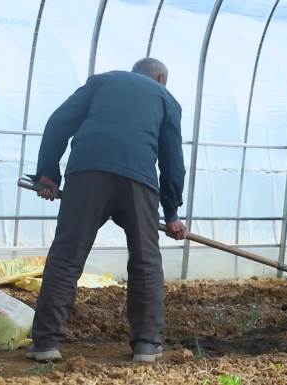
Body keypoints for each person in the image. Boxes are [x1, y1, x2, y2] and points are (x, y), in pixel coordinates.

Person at [24, 58, 187, 363]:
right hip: (138, 180)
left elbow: (58, 123)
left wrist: (47, 174)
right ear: (162, 78)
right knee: (146, 261)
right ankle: (147, 346)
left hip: (87, 173)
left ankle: (46, 343)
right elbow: (172, 162)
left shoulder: (101, 82)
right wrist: (172, 213)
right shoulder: (167, 100)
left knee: (66, 257)